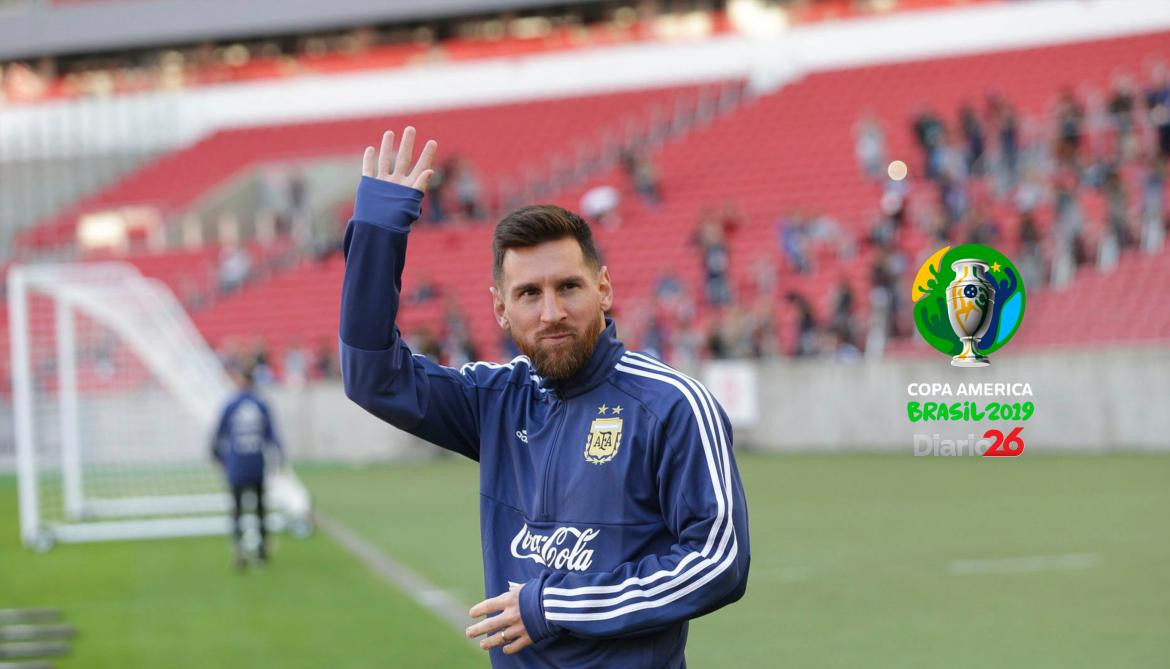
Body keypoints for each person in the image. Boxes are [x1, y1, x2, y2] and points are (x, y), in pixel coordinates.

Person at [340, 127, 750, 667]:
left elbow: (719, 561)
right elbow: (373, 376)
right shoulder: (495, 401)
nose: (551, 312)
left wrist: (554, 606)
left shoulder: (671, 405)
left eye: (568, 287)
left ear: (603, 288)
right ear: (500, 309)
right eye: (529, 294)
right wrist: (377, 231)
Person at [211, 363, 284, 569]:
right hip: (255, 463)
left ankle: (240, 550)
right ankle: (261, 551)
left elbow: (218, 435)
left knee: (238, 508)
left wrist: (216, 457)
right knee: (260, 508)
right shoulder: (261, 404)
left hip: (237, 464)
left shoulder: (231, 404)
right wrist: (280, 457)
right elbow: (273, 436)